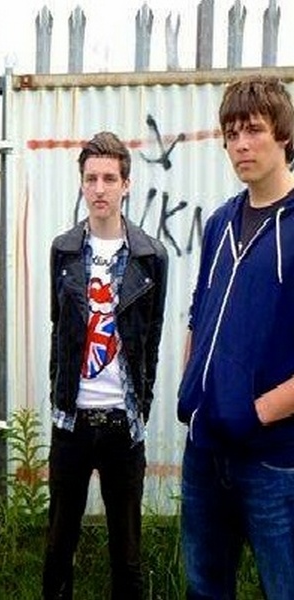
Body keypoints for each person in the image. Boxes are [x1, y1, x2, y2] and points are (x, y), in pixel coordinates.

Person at [178, 75, 294, 599]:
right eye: (231, 134)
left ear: (284, 135)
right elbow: (199, 314)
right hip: (205, 451)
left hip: (274, 460)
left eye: (254, 130)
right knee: (205, 587)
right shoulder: (219, 223)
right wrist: (193, 394)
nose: (241, 145)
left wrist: (255, 413)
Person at [42, 131, 168, 599]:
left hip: (122, 425)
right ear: (81, 183)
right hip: (72, 424)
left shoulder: (150, 256)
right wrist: (60, 396)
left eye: (109, 179)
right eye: (91, 178)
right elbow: (59, 331)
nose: (99, 188)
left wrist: (141, 406)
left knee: (127, 555)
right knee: (58, 548)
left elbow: (151, 340)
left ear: (126, 185)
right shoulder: (64, 250)